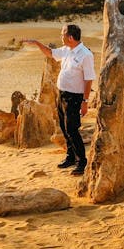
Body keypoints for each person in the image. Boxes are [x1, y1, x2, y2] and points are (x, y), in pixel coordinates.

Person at [22, 24, 96, 176]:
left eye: (62, 34)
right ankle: (70, 157)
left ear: (70, 37)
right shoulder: (66, 50)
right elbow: (50, 53)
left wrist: (85, 101)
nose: (60, 37)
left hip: (75, 97)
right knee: (63, 126)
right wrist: (37, 43)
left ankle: (81, 162)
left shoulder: (85, 55)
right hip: (62, 95)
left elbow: (89, 79)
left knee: (72, 129)